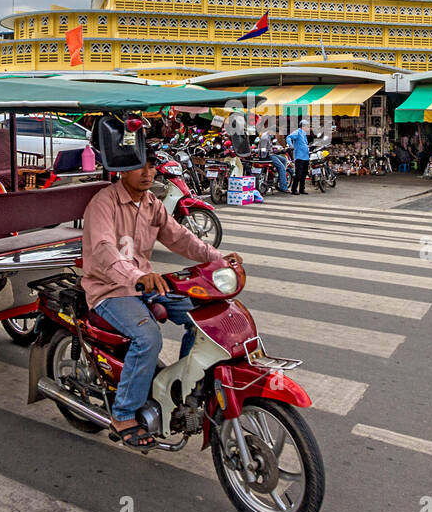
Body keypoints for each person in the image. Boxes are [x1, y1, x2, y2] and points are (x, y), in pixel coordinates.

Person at [81, 154, 244, 448]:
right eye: (139, 165)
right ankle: (124, 414)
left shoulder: (151, 204)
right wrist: (135, 276)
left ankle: (182, 385)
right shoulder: (103, 204)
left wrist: (218, 258)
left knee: (206, 318)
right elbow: (105, 251)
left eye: (151, 165)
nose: (147, 172)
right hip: (109, 289)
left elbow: (180, 238)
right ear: (121, 169)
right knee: (148, 337)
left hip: (145, 282)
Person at [257, 126, 289, 193]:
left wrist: (275, 150)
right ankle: (283, 187)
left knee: (284, 160)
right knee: (282, 168)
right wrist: (266, 156)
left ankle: (278, 175)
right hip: (267, 156)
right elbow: (263, 149)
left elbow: (269, 147)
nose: (275, 135)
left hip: (270, 154)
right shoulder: (265, 137)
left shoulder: (268, 136)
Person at [288, 118, 310, 194]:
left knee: (304, 174)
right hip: (299, 157)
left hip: (306, 156)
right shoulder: (297, 132)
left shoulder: (304, 134)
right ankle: (294, 190)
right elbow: (288, 137)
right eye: (307, 126)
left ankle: (302, 189)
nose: (308, 128)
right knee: (298, 174)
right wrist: (290, 145)